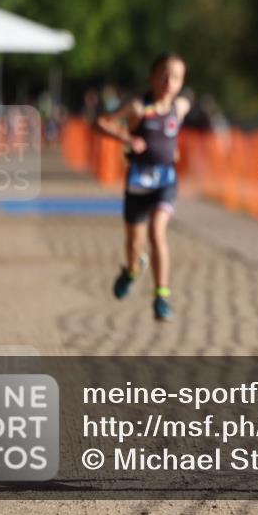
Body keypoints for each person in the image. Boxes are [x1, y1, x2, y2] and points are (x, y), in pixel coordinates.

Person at [95, 54, 191, 321]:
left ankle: (161, 296)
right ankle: (132, 270)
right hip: (138, 182)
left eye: (176, 77)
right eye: (163, 75)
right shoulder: (138, 107)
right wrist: (126, 137)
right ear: (152, 77)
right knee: (134, 243)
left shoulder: (180, 106)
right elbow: (101, 123)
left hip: (166, 181)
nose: (169, 82)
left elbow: (172, 131)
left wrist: (172, 149)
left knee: (156, 231)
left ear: (182, 82)